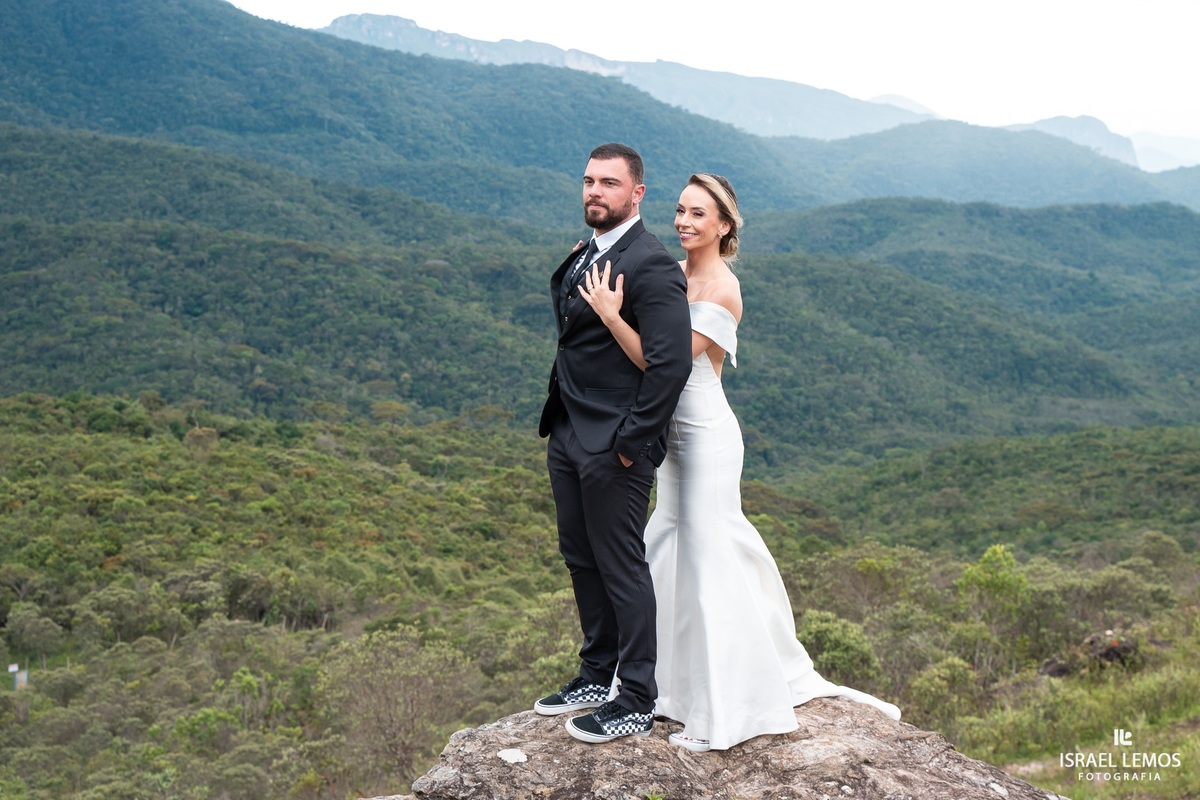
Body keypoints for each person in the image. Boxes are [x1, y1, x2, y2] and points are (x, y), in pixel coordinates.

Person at [579, 173, 901, 752]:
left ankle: (731, 706)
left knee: (706, 553)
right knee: (668, 547)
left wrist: (609, 314)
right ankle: (664, 683)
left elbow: (662, 363)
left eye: (698, 214)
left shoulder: (721, 288)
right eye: (679, 210)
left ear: (724, 225)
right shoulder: (673, 273)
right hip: (667, 436)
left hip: (704, 434)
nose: (683, 221)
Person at [533, 143, 693, 744]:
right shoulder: (590, 251)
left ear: (637, 194)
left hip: (614, 445)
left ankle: (635, 698)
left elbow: (670, 366)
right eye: (588, 181)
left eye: (608, 183)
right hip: (570, 428)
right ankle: (596, 673)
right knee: (579, 555)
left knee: (622, 565)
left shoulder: (651, 264)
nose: (594, 192)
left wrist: (630, 444)